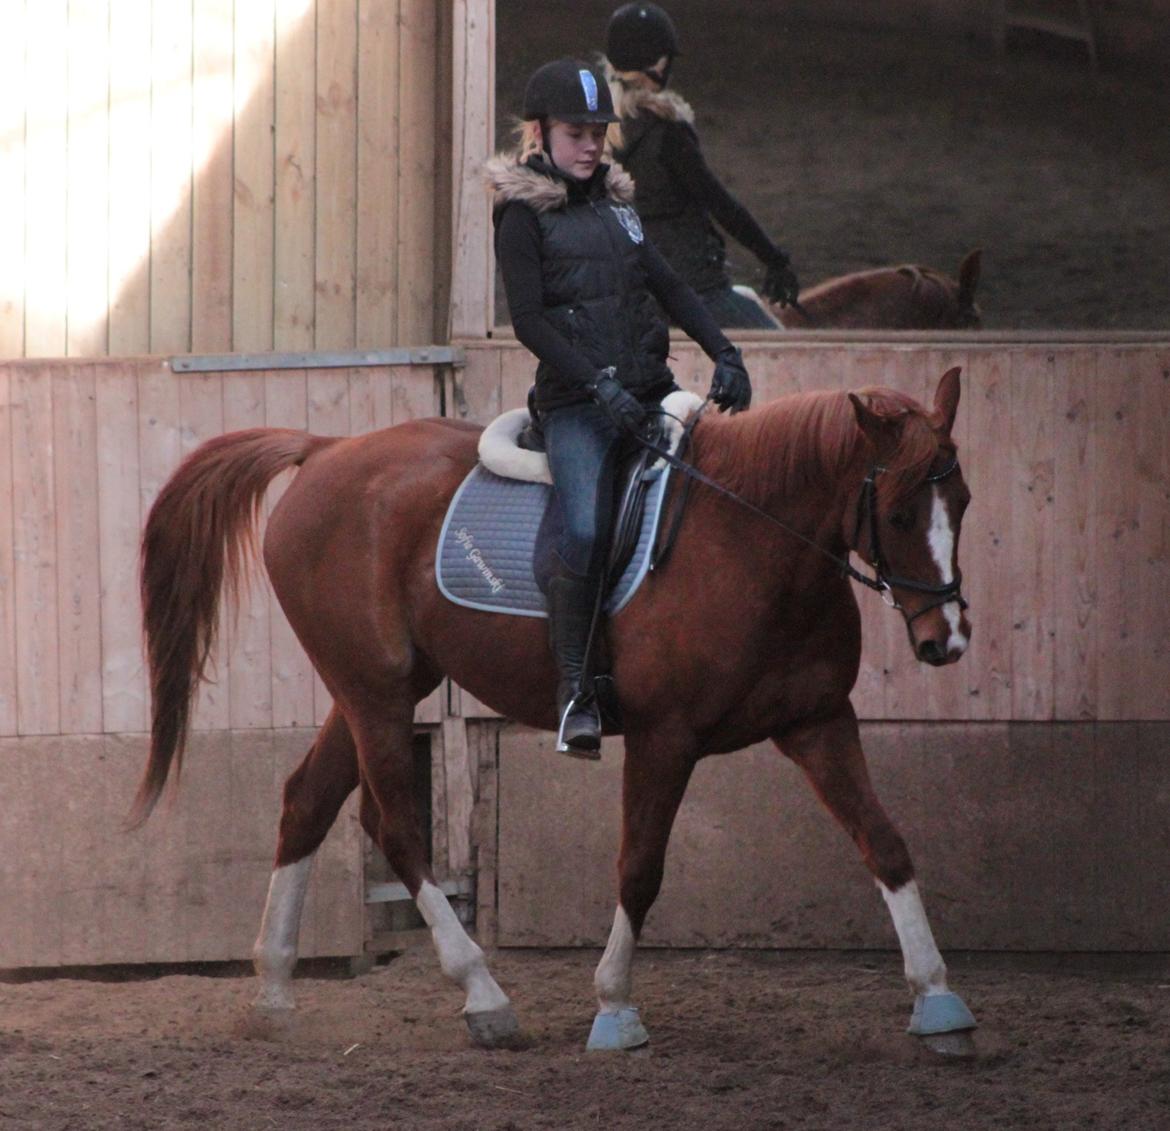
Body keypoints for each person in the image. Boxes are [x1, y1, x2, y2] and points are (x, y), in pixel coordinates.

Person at [485, 57, 752, 757]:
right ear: (540, 134)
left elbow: (668, 285)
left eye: (599, 132)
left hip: (649, 390)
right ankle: (576, 689)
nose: (592, 145)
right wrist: (597, 385)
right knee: (584, 527)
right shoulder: (521, 216)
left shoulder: (619, 207)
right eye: (578, 133)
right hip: (577, 406)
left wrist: (725, 350)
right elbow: (531, 323)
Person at [604, 2, 799, 328]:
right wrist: (774, 259)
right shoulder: (667, 131)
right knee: (778, 344)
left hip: (626, 291)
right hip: (691, 290)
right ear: (660, 63)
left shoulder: (597, 125)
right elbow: (721, 205)